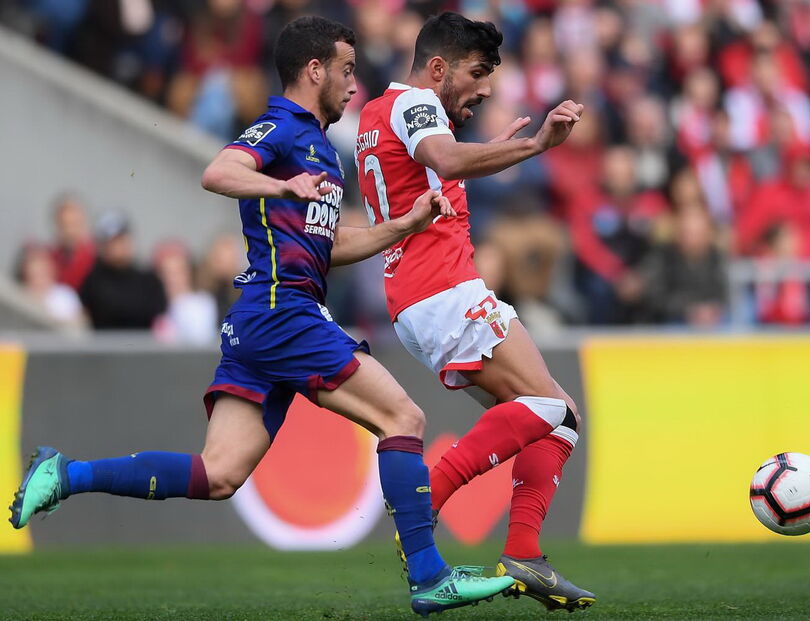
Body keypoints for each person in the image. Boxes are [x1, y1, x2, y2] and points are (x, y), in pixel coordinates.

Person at [10, 16, 512, 618]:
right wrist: (280, 186)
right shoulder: (283, 127)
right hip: (283, 311)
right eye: (347, 71)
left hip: (261, 318)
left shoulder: (321, 146)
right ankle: (429, 576)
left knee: (219, 474)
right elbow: (217, 172)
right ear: (315, 70)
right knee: (401, 416)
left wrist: (401, 228)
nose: (355, 85)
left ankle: (65, 475)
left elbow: (326, 246)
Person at [355, 12, 595, 611]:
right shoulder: (417, 104)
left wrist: (490, 148)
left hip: (423, 292)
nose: (485, 88)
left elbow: (431, 170)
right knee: (544, 406)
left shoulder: (379, 111)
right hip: (441, 287)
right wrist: (533, 145)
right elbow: (448, 160)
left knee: (558, 416)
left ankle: (524, 555)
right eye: (477, 73)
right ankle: (425, 503)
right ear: (438, 68)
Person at [78, 212, 168, 330]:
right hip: (104, 347)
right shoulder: (93, 282)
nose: (119, 247)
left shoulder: (149, 281)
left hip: (144, 347)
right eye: (114, 242)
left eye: (123, 240)